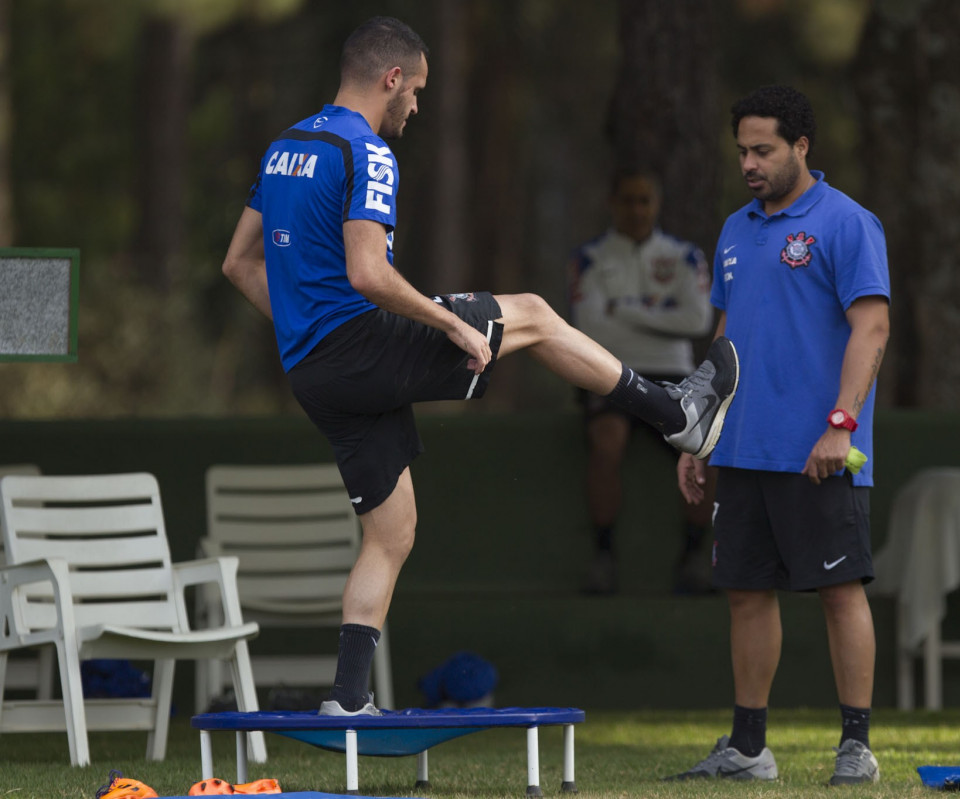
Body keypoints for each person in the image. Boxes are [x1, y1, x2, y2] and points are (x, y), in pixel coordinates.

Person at [220, 16, 739, 717]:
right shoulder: (365, 151)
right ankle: (677, 412)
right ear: (391, 79)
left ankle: (346, 699)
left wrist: (303, 331)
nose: (416, 106)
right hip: (361, 344)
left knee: (391, 531)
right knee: (532, 311)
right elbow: (369, 273)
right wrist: (449, 321)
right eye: (417, 91)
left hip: (313, 371)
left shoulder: (286, 146)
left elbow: (239, 262)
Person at [664, 85, 890, 785]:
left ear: (801, 146)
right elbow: (726, 339)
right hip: (742, 446)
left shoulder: (848, 223)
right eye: (742, 152)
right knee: (744, 591)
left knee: (840, 588)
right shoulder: (735, 228)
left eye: (763, 150)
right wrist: (700, 436)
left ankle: (856, 746)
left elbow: (872, 326)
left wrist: (840, 424)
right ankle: (748, 747)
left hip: (819, 450)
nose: (750, 164)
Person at [568, 168, 716, 595]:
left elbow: (697, 320)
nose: (637, 210)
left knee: (703, 453)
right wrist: (658, 311)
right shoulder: (589, 257)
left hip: (675, 374)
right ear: (612, 204)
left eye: (644, 200)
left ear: (657, 205)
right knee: (606, 442)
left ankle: (693, 559)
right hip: (610, 369)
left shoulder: (685, 255)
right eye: (628, 200)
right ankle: (604, 556)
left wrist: (624, 309)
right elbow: (591, 325)